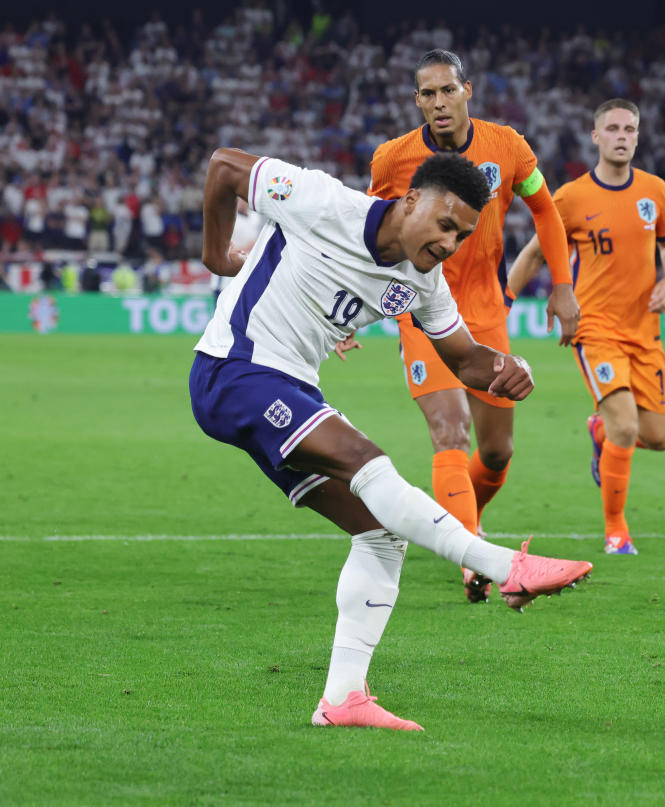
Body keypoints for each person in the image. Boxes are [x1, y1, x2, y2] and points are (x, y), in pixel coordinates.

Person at [190, 147, 593, 732]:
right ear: (409, 201)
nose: (449, 242)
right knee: (367, 462)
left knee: (379, 534)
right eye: (444, 223)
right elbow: (225, 167)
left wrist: (507, 367)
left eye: (461, 234)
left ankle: (343, 698)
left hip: (291, 387)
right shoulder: (323, 201)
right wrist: (215, 256)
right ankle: (503, 563)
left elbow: (466, 361)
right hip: (233, 370)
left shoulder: (424, 284)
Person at [365, 49, 578, 603]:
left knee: (499, 451)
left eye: (447, 91)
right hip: (419, 307)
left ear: (467, 91)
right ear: (417, 100)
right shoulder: (392, 159)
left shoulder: (506, 146)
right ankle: (472, 560)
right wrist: (346, 311)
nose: (438, 102)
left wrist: (562, 285)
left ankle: (463, 521)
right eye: (427, 94)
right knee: (449, 427)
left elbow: (546, 211)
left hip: (485, 312)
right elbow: (366, 236)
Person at [507, 98, 665, 556]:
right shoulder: (571, 197)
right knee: (626, 426)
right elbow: (533, 253)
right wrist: (503, 301)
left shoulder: (654, 191)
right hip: (596, 328)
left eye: (629, 129)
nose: (622, 136)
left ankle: (598, 432)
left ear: (638, 136)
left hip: (645, 332)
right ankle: (616, 531)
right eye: (613, 129)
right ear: (596, 136)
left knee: (659, 438)